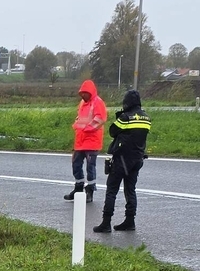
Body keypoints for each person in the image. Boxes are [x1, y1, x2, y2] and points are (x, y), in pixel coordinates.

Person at [94, 89, 151, 233]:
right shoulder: (146, 118)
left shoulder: (126, 118)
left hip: (122, 160)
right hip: (137, 159)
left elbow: (113, 131)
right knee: (130, 190)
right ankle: (130, 221)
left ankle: (106, 223)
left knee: (112, 190)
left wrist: (120, 115)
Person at [65, 79, 107, 203]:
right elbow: (79, 117)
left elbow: (100, 118)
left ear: (90, 92)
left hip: (92, 140)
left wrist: (86, 129)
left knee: (90, 167)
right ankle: (78, 189)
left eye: (85, 93)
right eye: (81, 93)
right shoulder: (82, 103)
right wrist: (76, 125)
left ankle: (90, 191)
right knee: (76, 164)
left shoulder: (97, 102)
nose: (83, 95)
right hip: (80, 141)